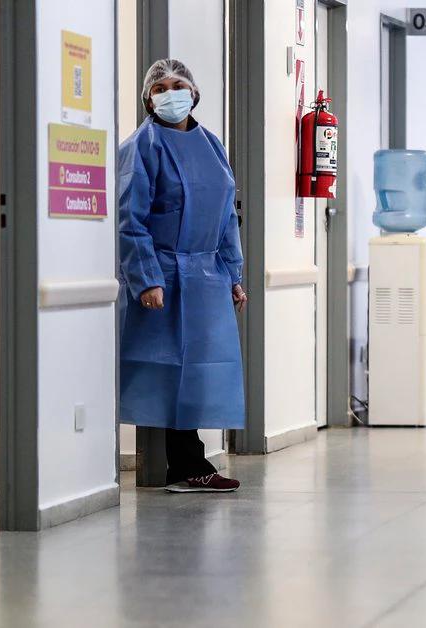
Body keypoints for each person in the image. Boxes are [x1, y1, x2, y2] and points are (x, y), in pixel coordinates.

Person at [118, 59, 247, 493]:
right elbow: (131, 219)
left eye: (178, 85)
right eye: (159, 88)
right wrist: (146, 277)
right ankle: (188, 466)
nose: (169, 93)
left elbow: (226, 216)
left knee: (202, 371)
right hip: (165, 274)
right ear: (148, 99)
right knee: (168, 371)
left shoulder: (212, 145)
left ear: (194, 93)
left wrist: (233, 273)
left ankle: (189, 466)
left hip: (208, 274)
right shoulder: (142, 146)